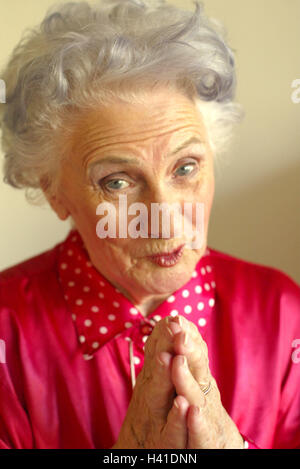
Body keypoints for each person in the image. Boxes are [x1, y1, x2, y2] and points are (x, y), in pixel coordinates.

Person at [0, 0, 299, 449]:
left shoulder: (281, 312)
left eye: (185, 168)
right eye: (117, 181)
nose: (165, 216)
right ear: (54, 192)